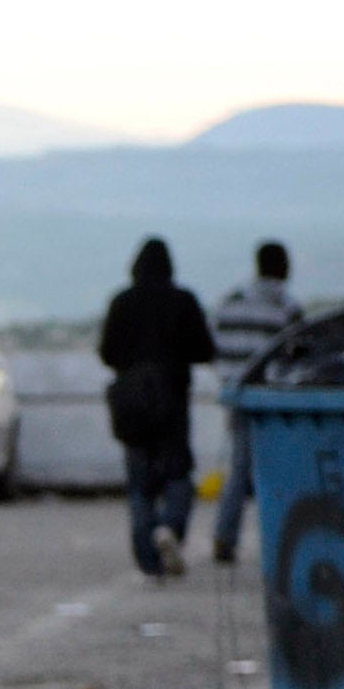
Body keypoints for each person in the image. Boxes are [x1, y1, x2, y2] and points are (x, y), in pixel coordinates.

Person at [98, 237, 216, 578]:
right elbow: (204, 350)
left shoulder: (122, 302)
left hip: (132, 406)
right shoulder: (183, 301)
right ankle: (170, 527)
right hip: (173, 403)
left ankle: (149, 559)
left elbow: (107, 353)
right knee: (177, 473)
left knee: (139, 483)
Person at [205, 241, 301, 566]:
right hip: (271, 403)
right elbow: (298, 356)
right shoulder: (285, 307)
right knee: (274, 472)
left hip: (236, 396)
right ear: (280, 266)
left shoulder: (231, 302)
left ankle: (224, 534)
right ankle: (279, 538)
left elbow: (213, 347)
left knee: (239, 468)